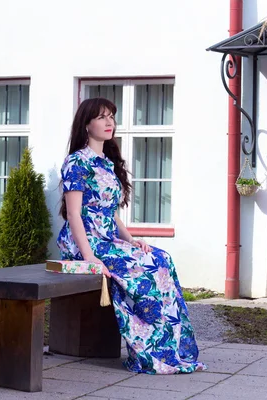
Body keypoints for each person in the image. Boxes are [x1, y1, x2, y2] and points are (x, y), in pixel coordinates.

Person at [57, 97, 206, 374]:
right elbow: (74, 214)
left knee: (162, 260)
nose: (109, 122)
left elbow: (112, 214)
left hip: (109, 240)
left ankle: (173, 351)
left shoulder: (106, 163)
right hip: (84, 243)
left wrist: (131, 240)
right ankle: (148, 353)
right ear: (86, 125)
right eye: (102, 117)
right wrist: (90, 258)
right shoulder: (76, 162)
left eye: (112, 116)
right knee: (146, 271)